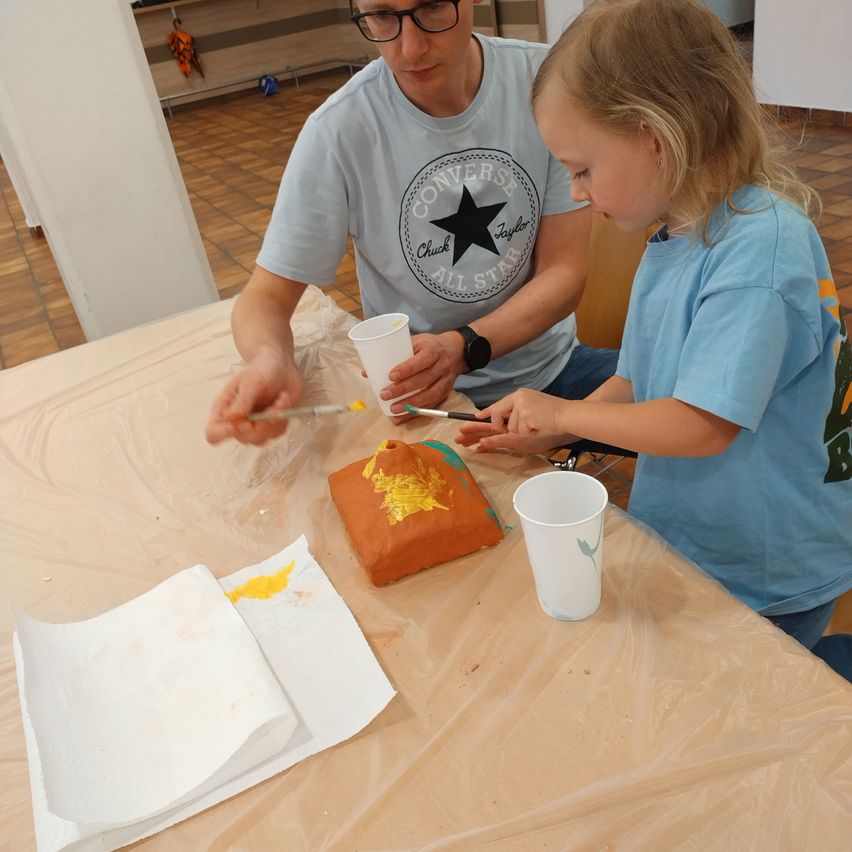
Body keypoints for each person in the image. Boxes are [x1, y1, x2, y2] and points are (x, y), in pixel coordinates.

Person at [456, 0, 852, 677]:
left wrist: (563, 411)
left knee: (754, 708)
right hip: (703, 540)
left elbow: (702, 425)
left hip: (768, 559)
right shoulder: (669, 235)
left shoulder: (760, 252)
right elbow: (637, 384)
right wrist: (555, 432)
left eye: (582, 168)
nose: (577, 192)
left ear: (654, 137)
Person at [205, 0, 618, 447]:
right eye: (382, 16)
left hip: (550, 373)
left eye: (433, 7)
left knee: (691, 408)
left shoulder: (544, 84)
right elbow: (265, 296)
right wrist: (270, 358)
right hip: (418, 404)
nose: (410, 48)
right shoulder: (339, 130)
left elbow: (564, 271)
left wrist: (463, 347)